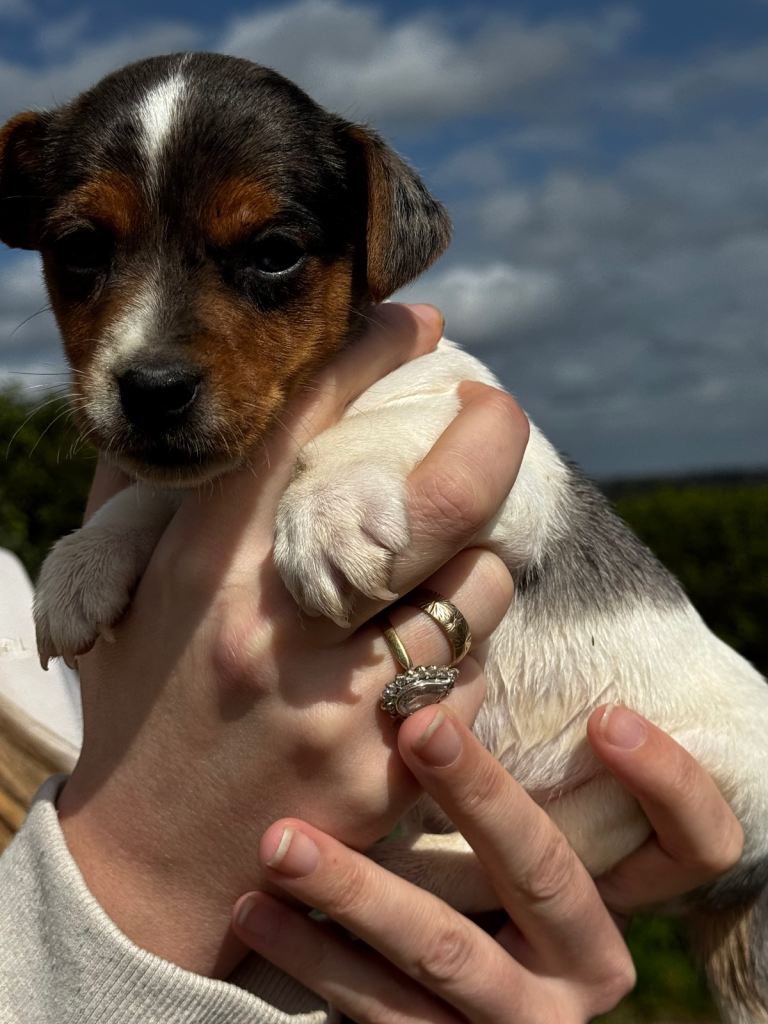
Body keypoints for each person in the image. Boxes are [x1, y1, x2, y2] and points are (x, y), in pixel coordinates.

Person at [0, 304, 743, 1023]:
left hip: (712, 748)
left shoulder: (424, 382)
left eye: (270, 259)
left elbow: (516, 491)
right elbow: (190, 519)